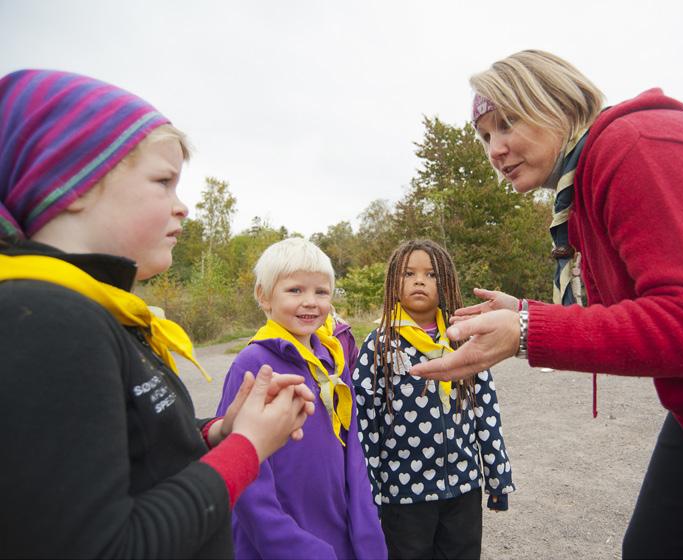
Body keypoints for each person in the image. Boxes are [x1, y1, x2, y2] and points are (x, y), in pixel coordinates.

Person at [0, 69, 315, 558]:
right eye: (164, 181)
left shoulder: (98, 311)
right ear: (74, 185)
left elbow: (138, 466)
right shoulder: (46, 319)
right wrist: (247, 447)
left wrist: (219, 431)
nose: (184, 207)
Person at [411, 50, 683, 559]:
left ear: (558, 104)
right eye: (484, 137)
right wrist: (523, 310)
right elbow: (633, 312)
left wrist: (525, 331)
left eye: (509, 123)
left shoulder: (632, 146)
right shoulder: (585, 184)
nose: (495, 150)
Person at [215, 237, 387, 560]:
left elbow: (353, 452)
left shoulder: (333, 361)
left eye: (321, 292)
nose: (310, 302)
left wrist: (367, 534)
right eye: (295, 290)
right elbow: (245, 476)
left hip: (339, 536)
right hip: (282, 545)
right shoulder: (253, 365)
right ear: (263, 297)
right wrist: (297, 549)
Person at [353, 239, 514, 559]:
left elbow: (487, 411)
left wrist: (497, 477)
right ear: (393, 283)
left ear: (447, 284)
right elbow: (365, 425)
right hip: (403, 494)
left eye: (430, 274)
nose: (419, 281)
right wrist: (368, 495)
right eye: (409, 273)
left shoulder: (465, 339)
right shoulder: (379, 345)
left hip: (463, 490)